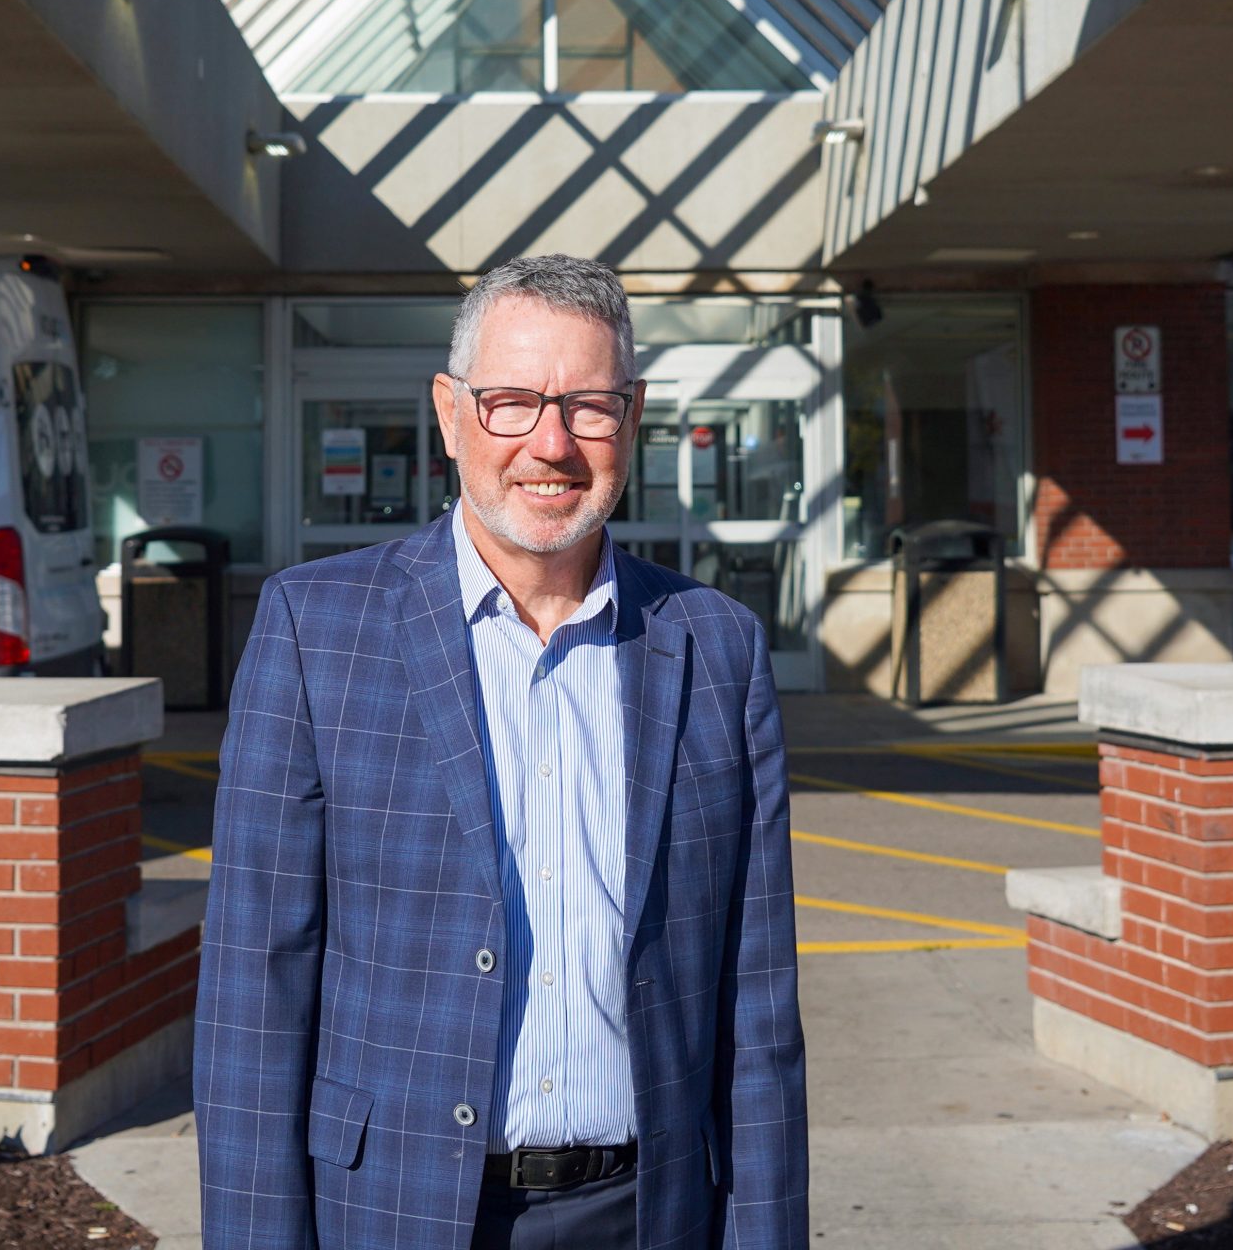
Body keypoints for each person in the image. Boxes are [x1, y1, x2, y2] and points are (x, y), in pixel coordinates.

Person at [194, 254, 807, 1250]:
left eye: (588, 406)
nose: (550, 443)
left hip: (647, 1211)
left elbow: (758, 1007)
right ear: (450, 413)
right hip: (397, 1206)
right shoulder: (317, 627)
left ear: (632, 416)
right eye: (512, 401)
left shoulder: (717, 646)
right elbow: (254, 990)